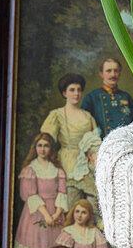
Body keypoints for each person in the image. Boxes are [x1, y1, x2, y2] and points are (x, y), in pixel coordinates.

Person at [13, 132, 67, 248]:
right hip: (36, 213)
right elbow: (31, 195)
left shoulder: (57, 170)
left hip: (55, 212)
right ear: (35, 148)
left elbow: (62, 193)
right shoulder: (30, 170)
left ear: (51, 148)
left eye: (46, 146)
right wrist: (46, 216)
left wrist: (56, 214)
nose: (42, 149)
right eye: (40, 145)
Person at [41, 73, 100, 214]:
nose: (76, 94)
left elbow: (96, 141)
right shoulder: (57, 114)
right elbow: (46, 141)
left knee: (93, 202)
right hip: (66, 161)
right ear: (64, 93)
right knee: (68, 203)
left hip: (86, 163)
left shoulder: (87, 116)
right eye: (72, 90)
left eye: (79, 90)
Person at [81, 57, 133, 137]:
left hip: (126, 140)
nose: (113, 75)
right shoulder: (92, 97)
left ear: (119, 73)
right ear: (101, 74)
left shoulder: (126, 96)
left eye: (116, 71)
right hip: (103, 143)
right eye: (109, 71)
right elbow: (84, 125)